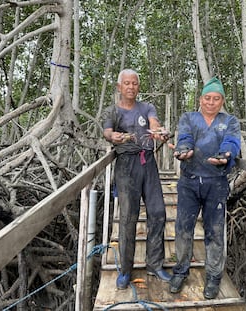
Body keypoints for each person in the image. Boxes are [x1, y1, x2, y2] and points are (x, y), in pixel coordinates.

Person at [170, 77, 241, 299]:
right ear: (200, 99)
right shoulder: (189, 118)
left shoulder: (230, 121)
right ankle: (180, 271)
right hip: (189, 181)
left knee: (215, 232)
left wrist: (226, 155)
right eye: (207, 98)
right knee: (183, 228)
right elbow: (184, 137)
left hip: (216, 183)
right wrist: (184, 150)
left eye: (216, 99)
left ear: (222, 101)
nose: (211, 102)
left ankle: (213, 276)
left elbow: (232, 142)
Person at [102, 69, 172, 289]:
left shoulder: (146, 107)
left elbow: (153, 124)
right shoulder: (112, 111)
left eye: (134, 84)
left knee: (158, 211)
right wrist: (113, 136)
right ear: (119, 86)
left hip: (147, 163)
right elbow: (107, 132)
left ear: (138, 87)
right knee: (127, 218)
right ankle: (125, 270)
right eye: (127, 83)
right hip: (125, 166)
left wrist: (159, 132)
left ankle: (155, 264)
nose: (131, 87)